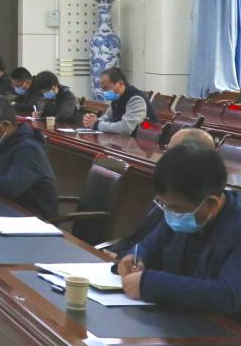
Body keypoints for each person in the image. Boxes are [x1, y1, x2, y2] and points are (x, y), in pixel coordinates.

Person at [115, 144, 241, 317]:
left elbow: (228, 295)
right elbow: (149, 245)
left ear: (211, 203)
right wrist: (135, 258)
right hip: (179, 318)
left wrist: (149, 284)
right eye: (164, 205)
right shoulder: (181, 208)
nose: (170, 214)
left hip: (223, 328)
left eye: (175, 209)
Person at [104, 129, 217, 255]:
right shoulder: (170, 187)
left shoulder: (190, 201)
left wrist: (129, 260)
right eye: (166, 150)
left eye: (171, 153)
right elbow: (147, 242)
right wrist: (127, 257)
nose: (164, 157)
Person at [81, 67, 158, 136]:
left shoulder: (136, 99)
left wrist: (96, 124)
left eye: (106, 88)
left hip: (148, 140)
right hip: (127, 140)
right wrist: (92, 121)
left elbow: (126, 128)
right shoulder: (117, 97)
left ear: (120, 83)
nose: (104, 92)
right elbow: (108, 117)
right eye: (103, 89)